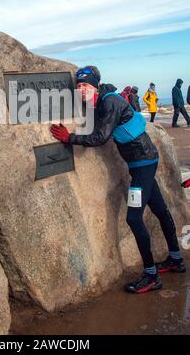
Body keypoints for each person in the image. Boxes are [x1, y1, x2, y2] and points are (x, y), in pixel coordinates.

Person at [50, 66, 185, 294]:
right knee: (160, 210)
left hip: (142, 164)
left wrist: (69, 137)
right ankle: (176, 259)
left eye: (86, 86)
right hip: (142, 162)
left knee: (133, 218)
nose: (82, 90)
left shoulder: (110, 102)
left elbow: (101, 137)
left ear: (95, 85)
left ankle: (151, 275)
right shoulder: (102, 99)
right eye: (79, 86)